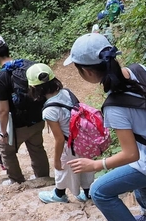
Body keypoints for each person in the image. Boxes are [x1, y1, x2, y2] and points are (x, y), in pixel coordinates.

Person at [65, 33, 146, 221]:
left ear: (88, 72)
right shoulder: (140, 71)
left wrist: (95, 165)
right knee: (141, 164)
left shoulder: (115, 106)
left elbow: (130, 154)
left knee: (100, 191)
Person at [0, 33, 50, 186]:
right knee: (37, 148)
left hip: (18, 126)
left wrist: (3, 132)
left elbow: (3, 111)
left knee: (5, 150)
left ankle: (17, 181)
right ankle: (43, 178)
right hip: (38, 119)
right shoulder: (28, 65)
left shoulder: (0, 77)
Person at [26, 62, 95, 204]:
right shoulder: (67, 92)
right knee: (85, 167)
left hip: (69, 144)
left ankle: (59, 194)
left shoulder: (49, 110)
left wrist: (56, 159)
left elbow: (59, 139)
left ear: (33, 87)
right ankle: (88, 194)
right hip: (83, 139)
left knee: (63, 170)